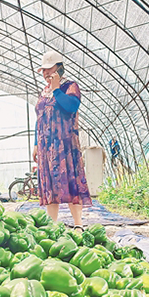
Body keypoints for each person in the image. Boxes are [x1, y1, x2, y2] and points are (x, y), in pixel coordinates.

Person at [32, 51, 91, 230]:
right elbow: (39, 118)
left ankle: (78, 224)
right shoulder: (44, 92)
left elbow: (72, 106)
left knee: (71, 183)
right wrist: (36, 144)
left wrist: (57, 89)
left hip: (64, 145)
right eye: (44, 70)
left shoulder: (69, 87)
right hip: (46, 147)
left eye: (49, 69)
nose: (46, 73)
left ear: (59, 68)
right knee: (50, 186)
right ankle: (52, 225)